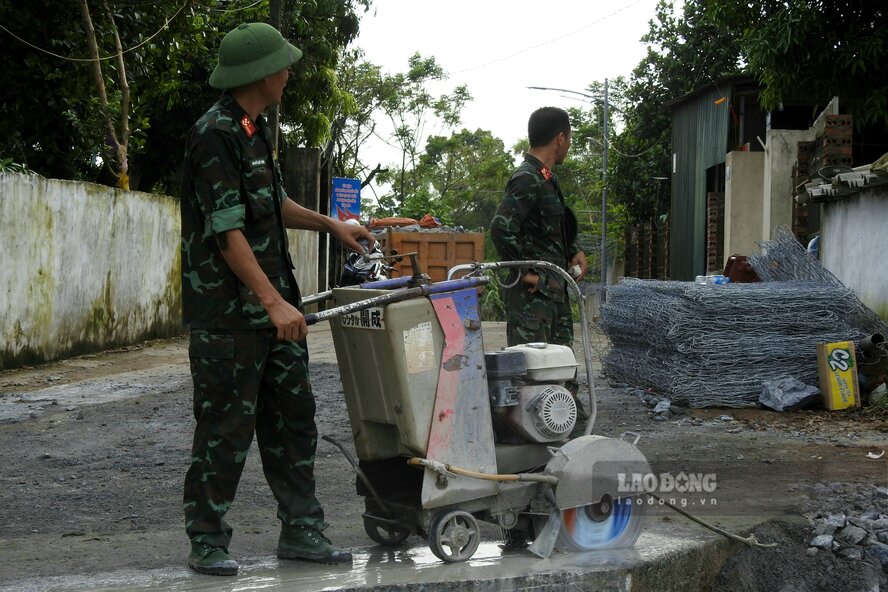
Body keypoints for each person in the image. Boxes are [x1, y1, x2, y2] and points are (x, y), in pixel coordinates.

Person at [180, 22, 374, 576]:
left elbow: (276, 203)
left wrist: (332, 226)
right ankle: (207, 538)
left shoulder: (254, 128)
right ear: (262, 73)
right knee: (225, 427)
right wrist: (270, 302)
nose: (290, 72)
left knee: (294, 420)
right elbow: (227, 231)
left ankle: (303, 532)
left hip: (275, 309)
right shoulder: (214, 134)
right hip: (231, 315)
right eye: (284, 64)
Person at [490, 106, 587, 348]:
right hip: (531, 300)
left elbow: (551, 228)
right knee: (531, 375)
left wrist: (573, 250)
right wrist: (525, 272)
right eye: (570, 139)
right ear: (560, 138)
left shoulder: (547, 179)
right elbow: (501, 228)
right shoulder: (527, 178)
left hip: (554, 293)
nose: (569, 145)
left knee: (561, 373)